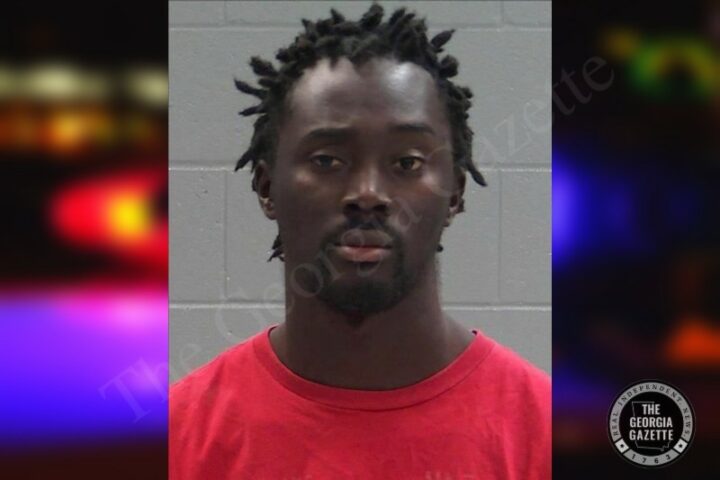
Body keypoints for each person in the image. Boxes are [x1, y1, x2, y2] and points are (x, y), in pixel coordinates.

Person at [170, 4, 550, 479]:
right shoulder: (180, 436)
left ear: (455, 193)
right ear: (267, 188)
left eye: (407, 162)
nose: (368, 194)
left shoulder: (542, 433)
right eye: (328, 160)